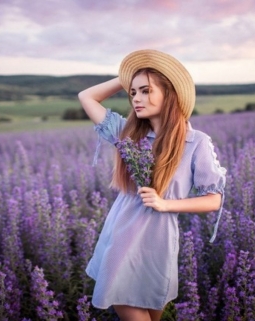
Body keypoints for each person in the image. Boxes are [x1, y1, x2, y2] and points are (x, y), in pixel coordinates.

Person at [78, 49, 226, 321]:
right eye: (132, 92)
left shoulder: (196, 142)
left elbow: (213, 199)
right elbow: (86, 97)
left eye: (146, 90)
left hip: (159, 242)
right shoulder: (127, 134)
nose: (136, 98)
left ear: (170, 94)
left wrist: (165, 203)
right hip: (122, 235)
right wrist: (127, 78)